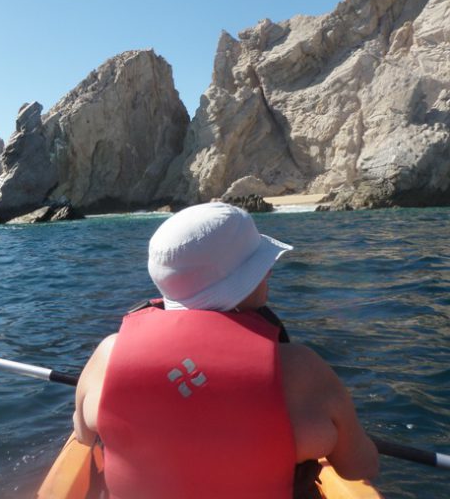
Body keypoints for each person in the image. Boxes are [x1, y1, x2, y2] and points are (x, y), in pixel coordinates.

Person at [73, 202, 379, 499]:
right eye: (262, 266)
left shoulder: (107, 356)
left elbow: (83, 437)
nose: (268, 272)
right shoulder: (302, 370)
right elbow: (359, 467)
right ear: (247, 280)